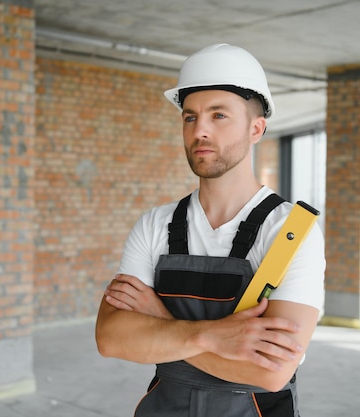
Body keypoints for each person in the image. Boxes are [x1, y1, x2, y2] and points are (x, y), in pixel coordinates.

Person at [95, 43, 325, 417]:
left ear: (256, 128)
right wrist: (212, 336)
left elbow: (270, 373)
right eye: (190, 117)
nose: (199, 130)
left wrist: (163, 325)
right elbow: (111, 339)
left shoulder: (290, 231)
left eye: (218, 115)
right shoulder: (155, 224)